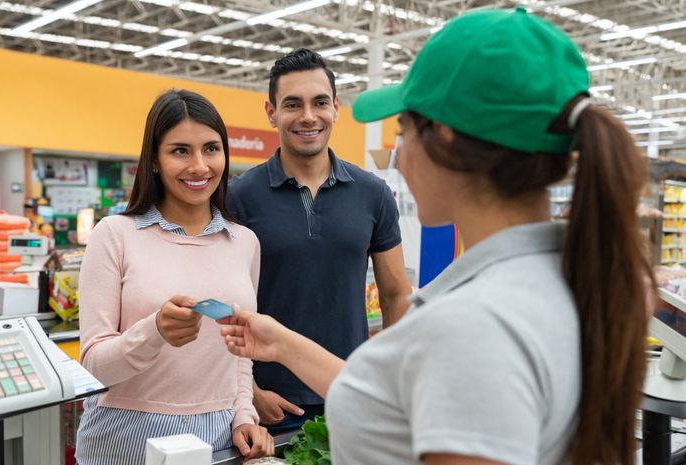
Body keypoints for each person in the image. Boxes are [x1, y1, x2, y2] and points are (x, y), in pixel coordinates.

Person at [220, 7, 652, 465]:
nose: (399, 158)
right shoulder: (579, 278)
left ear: (442, 139)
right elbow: (384, 401)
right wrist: (283, 345)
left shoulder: (468, 327)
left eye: (403, 131)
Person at [75, 89, 274, 465]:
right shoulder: (115, 235)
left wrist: (244, 415)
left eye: (212, 149)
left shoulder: (244, 242)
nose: (200, 166)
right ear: (153, 160)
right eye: (180, 150)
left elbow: (240, 352)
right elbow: (93, 368)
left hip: (218, 438)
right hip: (125, 436)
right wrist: (155, 332)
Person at [226, 48, 413, 433]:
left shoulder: (373, 194)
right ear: (271, 112)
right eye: (292, 104)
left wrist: (387, 380)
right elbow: (222, 305)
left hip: (351, 393)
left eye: (320, 103)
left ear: (336, 108)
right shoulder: (239, 197)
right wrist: (249, 392)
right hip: (270, 405)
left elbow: (396, 294)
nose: (308, 116)